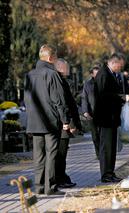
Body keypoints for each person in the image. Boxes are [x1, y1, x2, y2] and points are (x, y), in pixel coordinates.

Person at [24, 44, 69, 195]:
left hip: (35, 121)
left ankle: (39, 186)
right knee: (51, 154)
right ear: (50, 58)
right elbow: (59, 100)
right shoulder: (52, 74)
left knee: (38, 155)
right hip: (50, 121)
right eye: (55, 58)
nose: (56, 61)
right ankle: (50, 187)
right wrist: (65, 120)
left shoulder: (29, 75)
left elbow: (27, 99)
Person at [94, 53, 129, 183]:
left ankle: (110, 172)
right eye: (120, 66)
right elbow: (103, 95)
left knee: (111, 147)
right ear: (114, 63)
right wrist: (121, 97)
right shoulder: (103, 74)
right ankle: (105, 174)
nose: (120, 68)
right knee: (106, 148)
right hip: (105, 118)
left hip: (111, 117)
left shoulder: (111, 74)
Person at [54, 58, 82, 188]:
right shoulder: (59, 82)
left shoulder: (63, 81)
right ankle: (60, 178)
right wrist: (69, 123)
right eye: (66, 67)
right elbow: (63, 104)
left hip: (63, 122)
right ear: (59, 67)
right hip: (61, 124)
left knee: (63, 153)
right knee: (61, 153)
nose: (69, 70)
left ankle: (62, 177)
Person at [81, 64, 100, 159]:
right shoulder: (87, 85)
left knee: (103, 135)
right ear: (92, 74)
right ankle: (98, 153)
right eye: (96, 74)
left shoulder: (104, 83)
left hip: (103, 114)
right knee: (95, 136)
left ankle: (104, 153)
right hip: (91, 114)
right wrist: (85, 112)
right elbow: (84, 98)